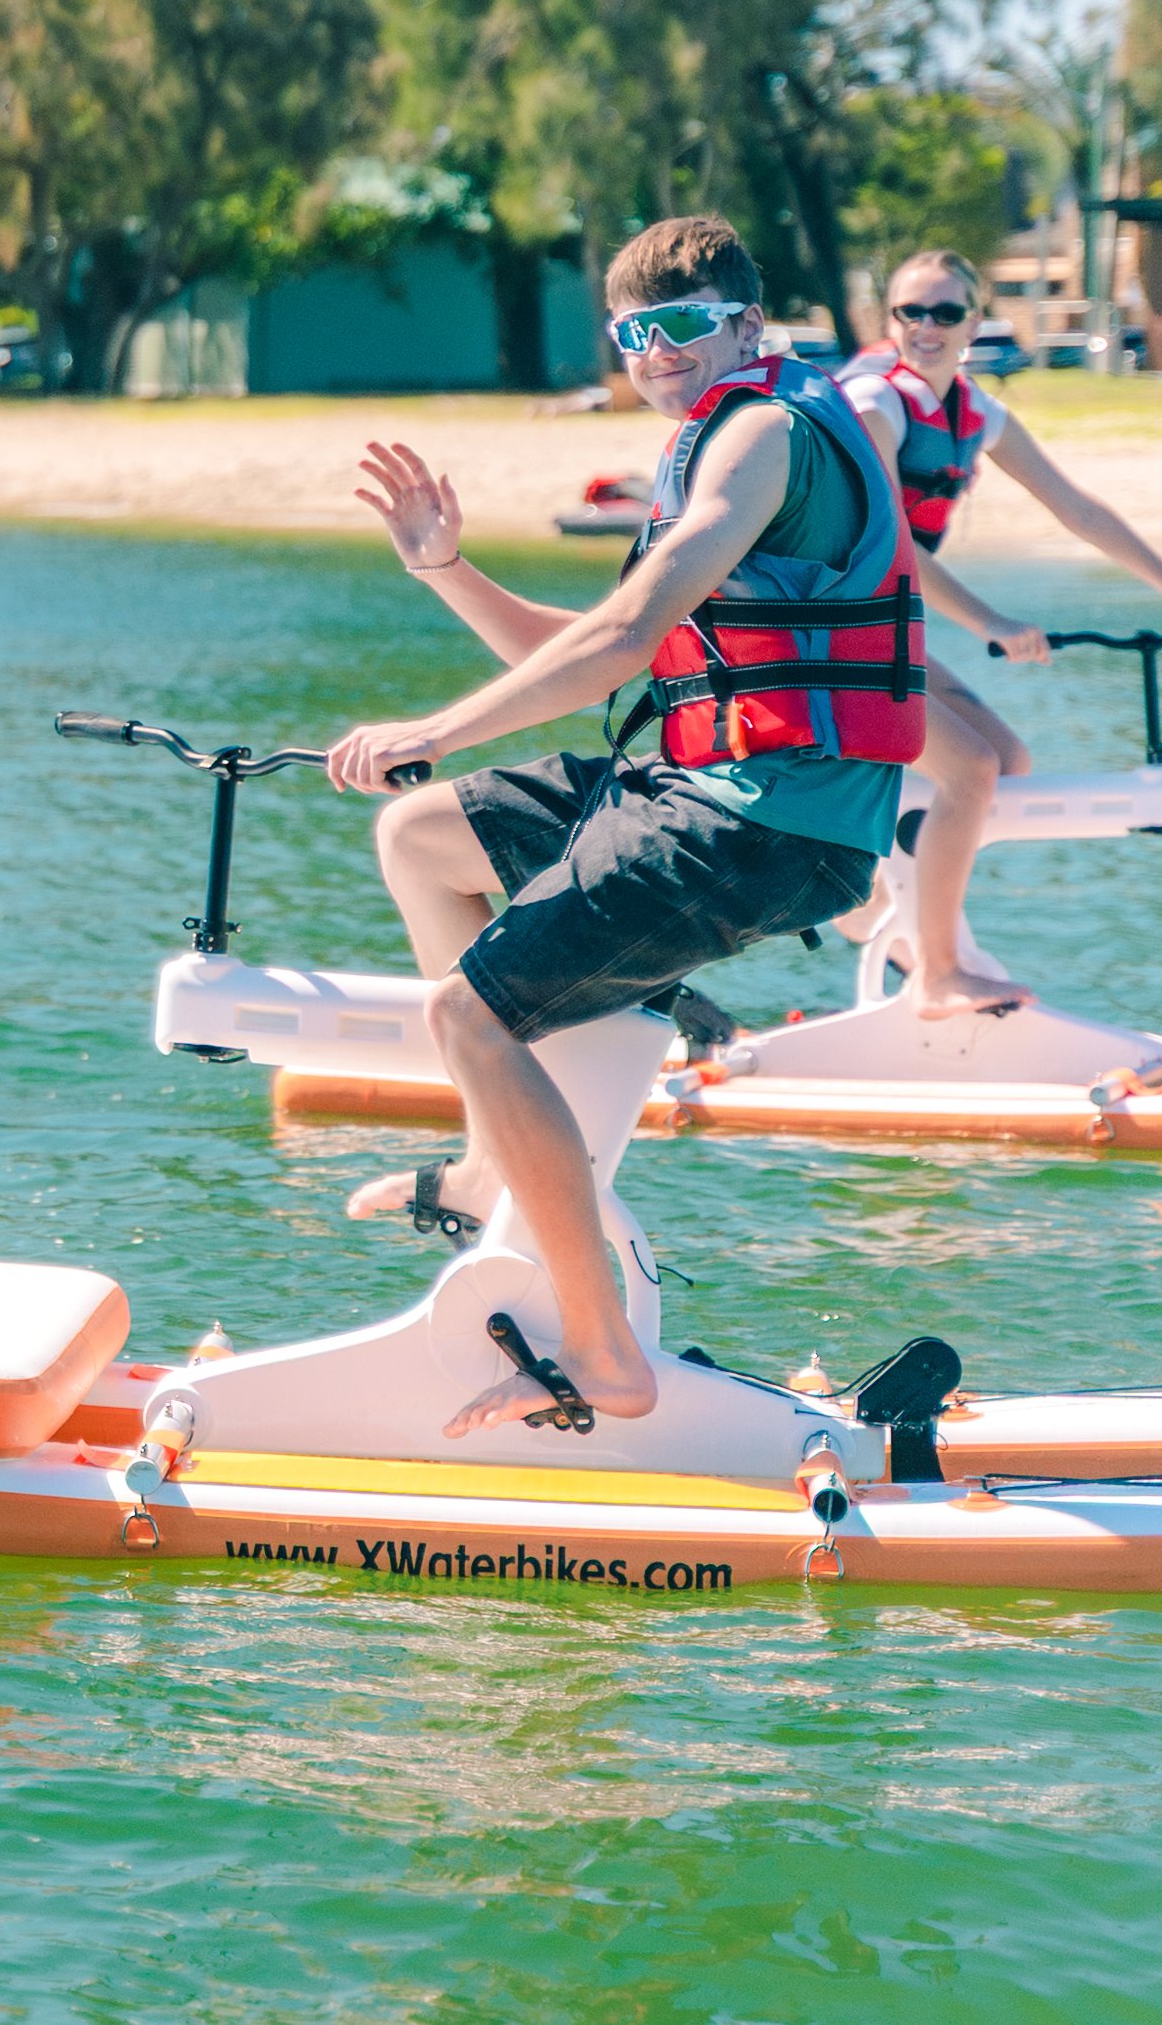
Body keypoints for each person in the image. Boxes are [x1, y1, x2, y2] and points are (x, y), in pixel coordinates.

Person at [327, 216, 923, 1436]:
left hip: (764, 825)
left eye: (680, 329)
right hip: (682, 786)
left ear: (747, 327)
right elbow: (604, 659)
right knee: (422, 840)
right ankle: (499, 1157)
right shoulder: (711, 441)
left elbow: (618, 636)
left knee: (466, 1015)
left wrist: (432, 727)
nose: (655, 357)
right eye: (630, 335)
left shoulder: (761, 435)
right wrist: (446, 568)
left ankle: (603, 1357)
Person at [837, 249, 1162, 1014]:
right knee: (970, 769)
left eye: (947, 312)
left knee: (1006, 760)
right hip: (828, 631)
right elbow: (889, 545)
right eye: (912, 312)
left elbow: (1076, 508)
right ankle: (934, 970)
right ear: (891, 322)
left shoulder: (974, 412)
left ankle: (872, 903)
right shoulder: (876, 403)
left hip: (884, 628)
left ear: (975, 321)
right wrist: (992, 621)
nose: (928, 327)